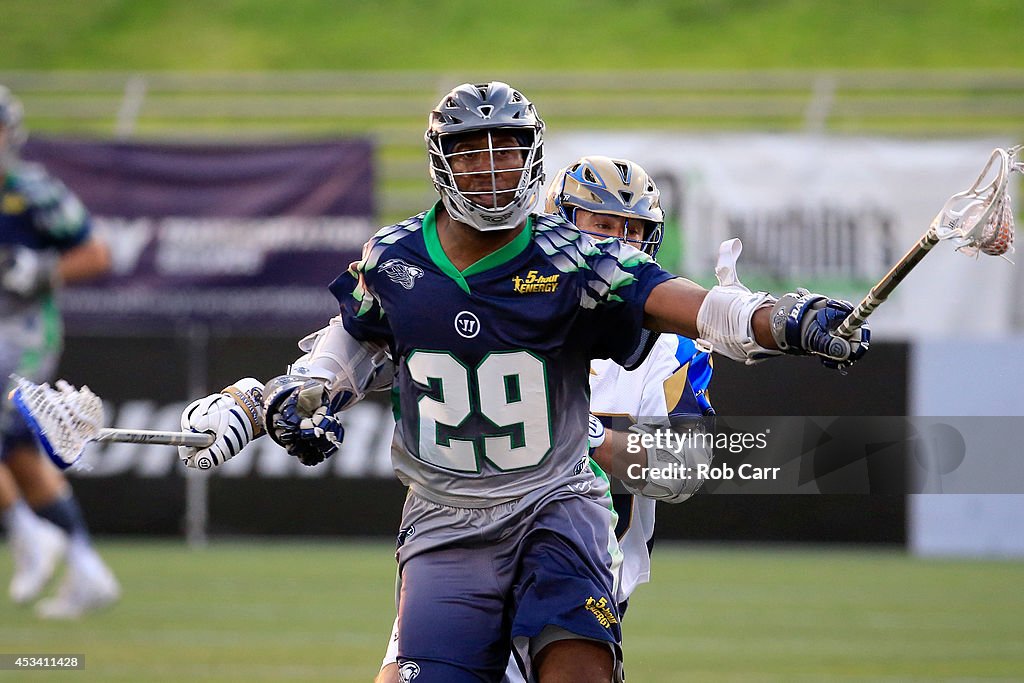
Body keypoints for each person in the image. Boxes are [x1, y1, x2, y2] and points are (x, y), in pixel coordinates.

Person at [178, 81, 868, 682]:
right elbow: (341, 361)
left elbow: (703, 318)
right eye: (472, 152)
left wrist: (782, 316)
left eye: (505, 150)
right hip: (446, 524)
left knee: (576, 666)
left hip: (556, 511)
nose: (490, 169)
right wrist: (264, 402)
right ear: (442, 163)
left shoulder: (578, 263)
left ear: (531, 158)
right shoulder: (395, 260)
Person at [375, 155, 717, 683]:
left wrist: (587, 436)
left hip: (570, 572)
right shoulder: (498, 302)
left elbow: (686, 471)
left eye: (636, 230)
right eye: (602, 225)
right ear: (558, 225)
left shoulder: (669, 349)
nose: (621, 243)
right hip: (462, 545)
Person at [0, 84, 120, 619]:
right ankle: (84, 564)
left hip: (22, 332)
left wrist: (41, 271)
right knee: (22, 456)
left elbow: (95, 253)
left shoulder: (31, 190)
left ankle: (26, 533)